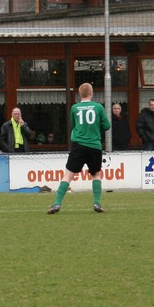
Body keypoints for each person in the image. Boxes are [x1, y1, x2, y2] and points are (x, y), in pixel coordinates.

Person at [47, 83, 111, 215]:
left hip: (79, 145)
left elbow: (73, 125)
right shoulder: (98, 107)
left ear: (80, 94)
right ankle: (97, 203)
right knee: (96, 174)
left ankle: (57, 203)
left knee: (68, 175)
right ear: (91, 93)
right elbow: (107, 125)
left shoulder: (74, 108)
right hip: (94, 145)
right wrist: (95, 128)